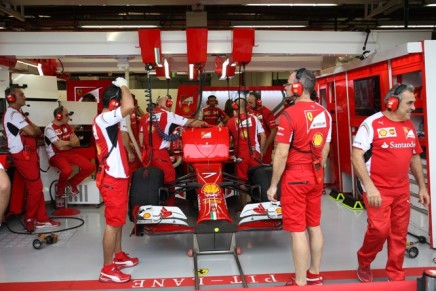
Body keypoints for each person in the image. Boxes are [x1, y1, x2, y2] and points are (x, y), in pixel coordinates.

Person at [351, 83, 429, 282]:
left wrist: (421, 186)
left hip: (401, 190)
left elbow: (414, 157)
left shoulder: (408, 125)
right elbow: (356, 156)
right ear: (392, 102)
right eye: (409, 103)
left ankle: (395, 273)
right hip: (377, 189)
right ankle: (364, 261)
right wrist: (369, 187)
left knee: (399, 234)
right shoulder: (371, 124)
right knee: (379, 230)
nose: (413, 107)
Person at [266, 68, 332, 286]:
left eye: (288, 83)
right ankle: (315, 273)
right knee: (314, 225)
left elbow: (282, 154)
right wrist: (317, 171)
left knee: (297, 231)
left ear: (298, 87)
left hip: (296, 175)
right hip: (316, 174)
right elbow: (324, 150)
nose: (285, 87)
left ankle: (301, 282)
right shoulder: (325, 113)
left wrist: (273, 185)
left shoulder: (289, 115)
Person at [92, 77, 138, 283]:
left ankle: (118, 256)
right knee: (113, 223)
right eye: (118, 100)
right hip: (112, 180)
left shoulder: (108, 119)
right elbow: (129, 106)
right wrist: (124, 85)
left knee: (117, 221)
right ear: (114, 103)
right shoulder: (104, 119)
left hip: (116, 178)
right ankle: (107, 269)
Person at [3, 86, 61, 232]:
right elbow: (32, 131)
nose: (24, 96)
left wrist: (32, 130)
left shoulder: (19, 113)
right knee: (36, 188)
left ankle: (41, 218)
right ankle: (29, 218)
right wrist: (32, 130)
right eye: (21, 94)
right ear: (11, 98)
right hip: (22, 155)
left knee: (36, 188)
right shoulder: (13, 114)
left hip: (27, 154)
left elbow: (36, 130)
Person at [138, 94, 206, 185]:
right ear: (168, 103)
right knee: (169, 179)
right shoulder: (168, 115)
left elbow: (141, 137)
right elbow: (193, 123)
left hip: (146, 155)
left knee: (150, 181)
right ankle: (168, 199)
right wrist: (205, 124)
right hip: (160, 155)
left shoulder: (145, 117)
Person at [44, 106, 95, 199]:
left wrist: (67, 144)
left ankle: (72, 183)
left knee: (90, 167)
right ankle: (60, 190)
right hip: (56, 155)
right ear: (58, 116)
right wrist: (70, 143)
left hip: (69, 153)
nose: (69, 117)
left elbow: (77, 143)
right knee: (67, 170)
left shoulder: (67, 126)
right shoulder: (49, 128)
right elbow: (59, 147)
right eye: (67, 115)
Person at [227, 97, 266, 206]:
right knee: (259, 180)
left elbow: (227, 140)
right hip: (255, 154)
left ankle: (244, 208)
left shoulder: (230, 122)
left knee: (241, 181)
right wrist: (262, 151)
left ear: (235, 107)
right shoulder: (254, 118)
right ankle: (260, 206)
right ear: (247, 107)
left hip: (240, 155)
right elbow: (263, 136)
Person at [247, 91, 278, 164]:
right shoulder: (249, 111)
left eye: (251, 103)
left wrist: (265, 148)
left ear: (258, 102)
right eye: (248, 102)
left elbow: (274, 131)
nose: (249, 105)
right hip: (254, 146)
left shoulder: (266, 112)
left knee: (263, 167)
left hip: (265, 147)